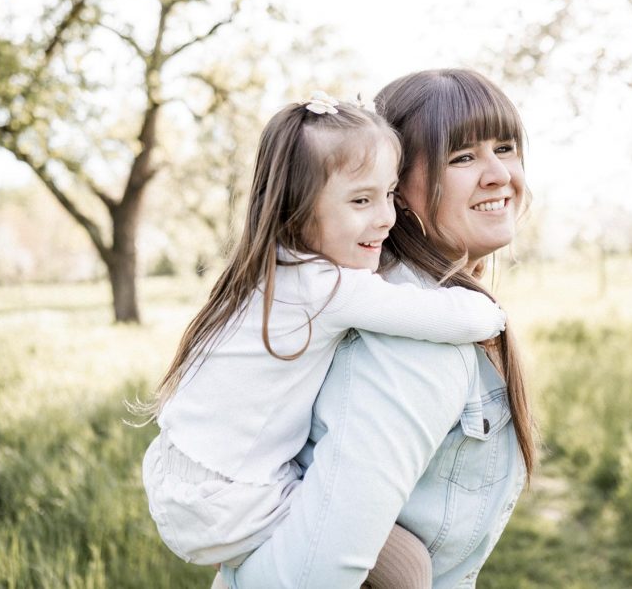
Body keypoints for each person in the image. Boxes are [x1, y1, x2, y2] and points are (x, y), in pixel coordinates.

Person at [141, 90, 510, 588]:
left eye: (388, 195)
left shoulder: (267, 269)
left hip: (183, 476)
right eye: (361, 200)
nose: (385, 217)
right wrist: (492, 313)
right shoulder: (327, 287)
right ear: (298, 209)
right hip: (230, 499)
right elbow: (446, 318)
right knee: (410, 570)